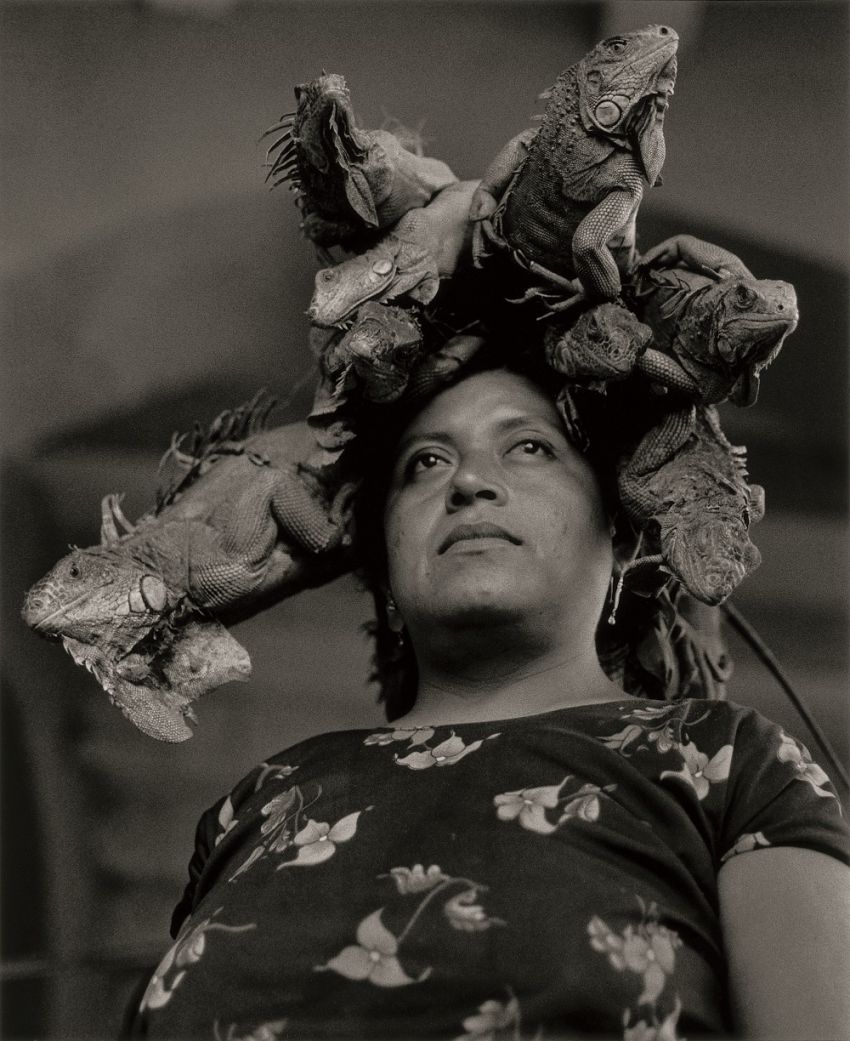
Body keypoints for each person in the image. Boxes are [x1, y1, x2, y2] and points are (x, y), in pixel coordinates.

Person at [123, 345, 850, 1041]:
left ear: (621, 534)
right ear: (383, 559)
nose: (468, 481)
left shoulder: (728, 763)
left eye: (530, 447)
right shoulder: (263, 798)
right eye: (426, 462)